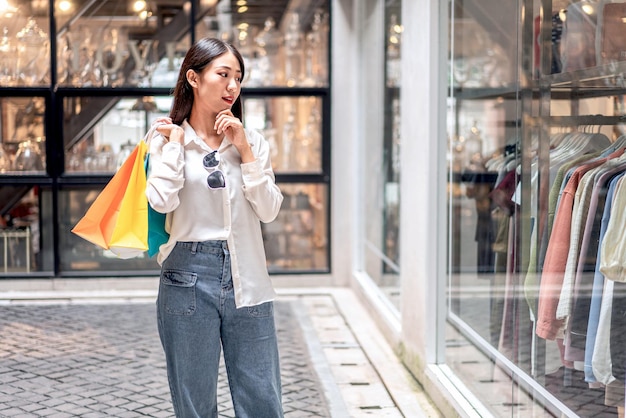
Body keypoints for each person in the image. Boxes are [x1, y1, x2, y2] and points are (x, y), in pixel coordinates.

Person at [145, 37, 284, 418]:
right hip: (186, 275)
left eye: (238, 77)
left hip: (248, 274)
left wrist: (246, 151)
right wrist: (175, 146)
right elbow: (161, 201)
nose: (232, 86)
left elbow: (269, 210)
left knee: (262, 399)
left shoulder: (250, 140)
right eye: (223, 75)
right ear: (193, 77)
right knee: (195, 402)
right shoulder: (165, 139)